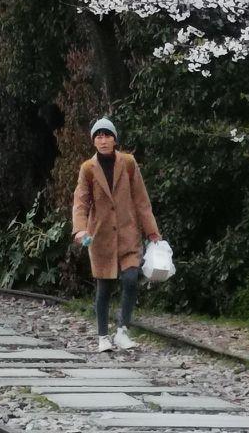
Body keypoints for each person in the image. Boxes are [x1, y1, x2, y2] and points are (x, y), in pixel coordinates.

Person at [70, 117, 161, 353]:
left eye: (107, 135)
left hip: (128, 232)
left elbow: (141, 200)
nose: (103, 140)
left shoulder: (128, 164)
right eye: (98, 136)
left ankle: (122, 330)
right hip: (100, 236)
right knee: (104, 288)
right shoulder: (88, 169)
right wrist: (80, 229)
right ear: (93, 141)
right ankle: (102, 336)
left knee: (131, 279)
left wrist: (152, 232)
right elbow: (81, 202)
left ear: (114, 139)